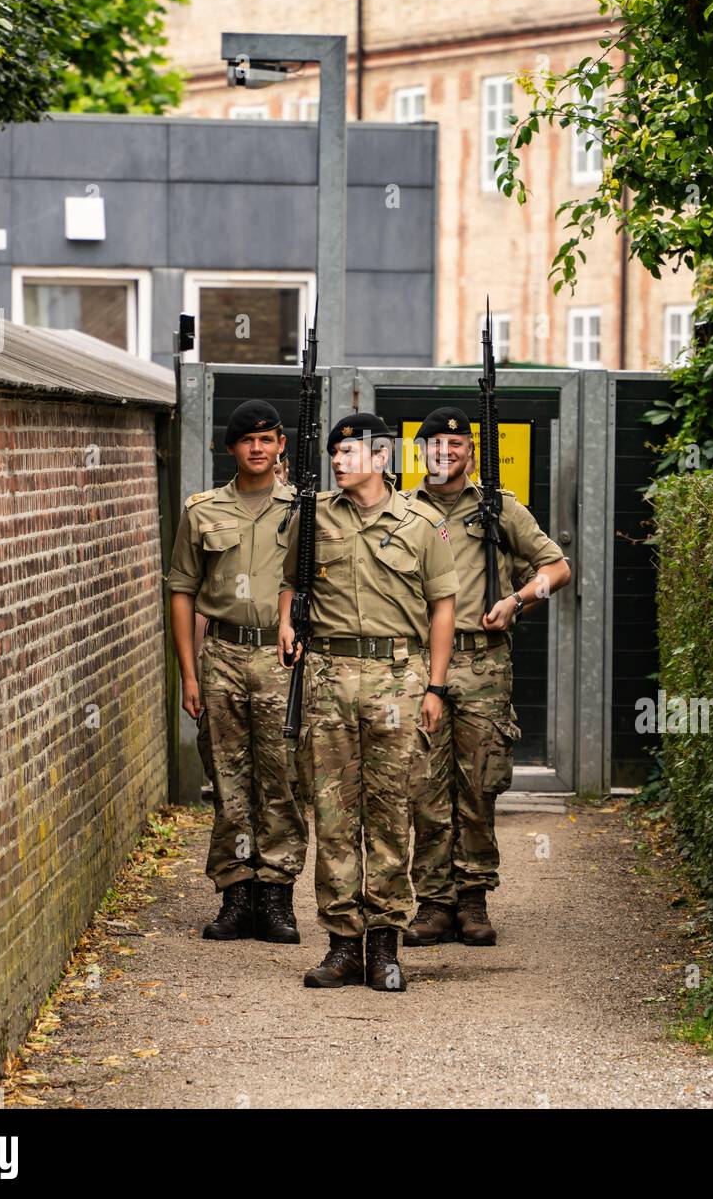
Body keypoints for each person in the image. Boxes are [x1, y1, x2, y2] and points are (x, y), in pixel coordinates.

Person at [278, 413, 458, 992]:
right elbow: (290, 582)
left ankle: (384, 946)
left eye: (349, 452)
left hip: (396, 679)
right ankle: (341, 946)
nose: (338, 460)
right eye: (334, 452)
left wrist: (434, 686)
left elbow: (443, 607)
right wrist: (286, 623)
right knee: (332, 813)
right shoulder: (313, 519)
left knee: (389, 812)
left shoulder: (421, 523)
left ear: (381, 459)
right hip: (329, 676)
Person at [402, 406, 571, 947]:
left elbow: (558, 569)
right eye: (435, 445)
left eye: (455, 446)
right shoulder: (401, 511)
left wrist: (518, 601)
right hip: (420, 664)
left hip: (483, 664)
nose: (444, 454)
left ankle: (472, 900)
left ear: (470, 452)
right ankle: (432, 903)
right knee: (424, 785)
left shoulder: (499, 510)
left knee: (478, 784)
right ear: (420, 451)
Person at [167, 399, 307, 944]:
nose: (257, 448)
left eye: (267, 439)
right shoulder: (203, 511)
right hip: (222, 655)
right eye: (247, 440)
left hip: (281, 659)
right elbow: (181, 591)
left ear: (280, 448)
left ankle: (276, 896)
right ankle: (236, 892)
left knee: (282, 777)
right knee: (226, 777)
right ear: (231, 449)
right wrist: (189, 675)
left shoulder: (305, 509)